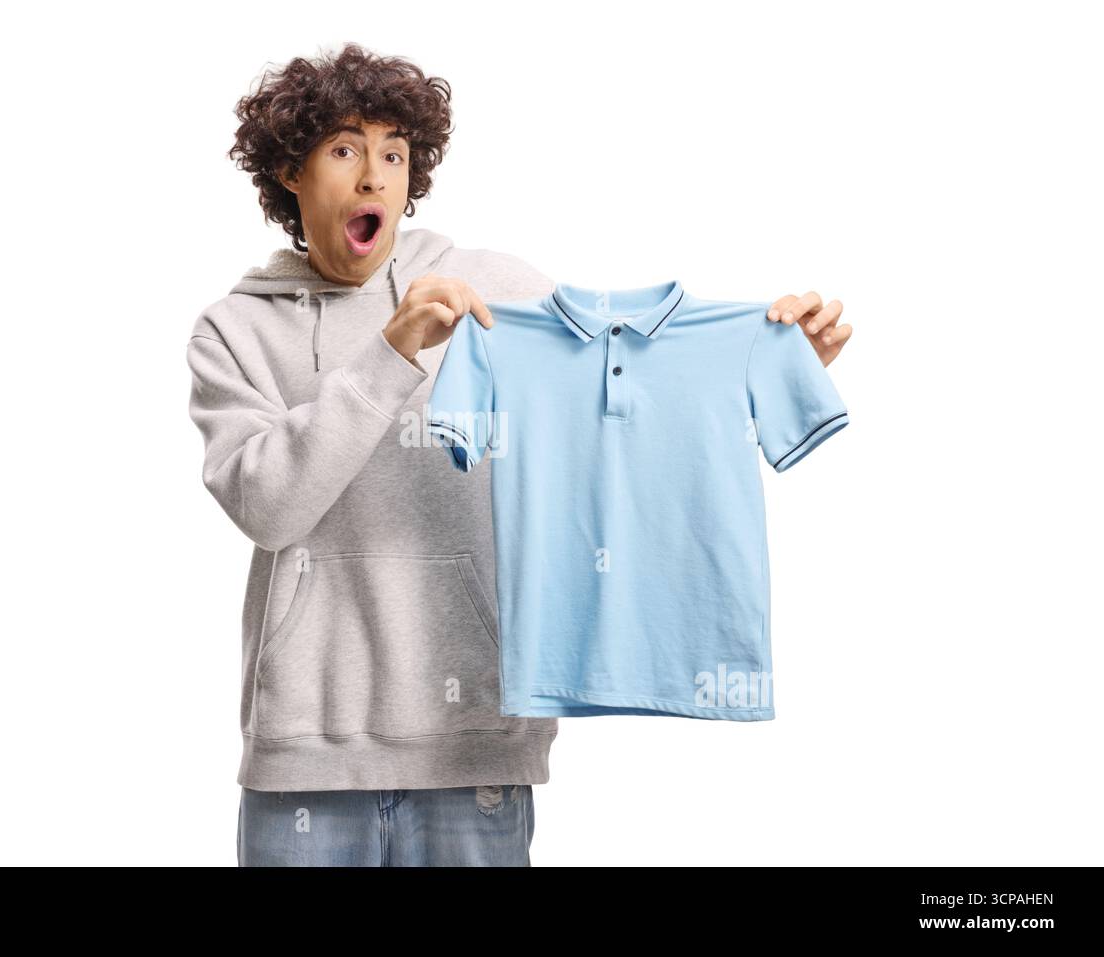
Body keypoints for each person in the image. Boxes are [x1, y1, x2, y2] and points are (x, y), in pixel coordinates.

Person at [186, 43, 853, 867]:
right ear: (291, 168)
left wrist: (763, 368)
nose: (373, 179)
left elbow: (617, 416)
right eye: (346, 150)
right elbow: (267, 504)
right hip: (303, 766)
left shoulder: (495, 291)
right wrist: (390, 357)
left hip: (477, 758)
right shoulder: (233, 331)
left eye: (393, 154)